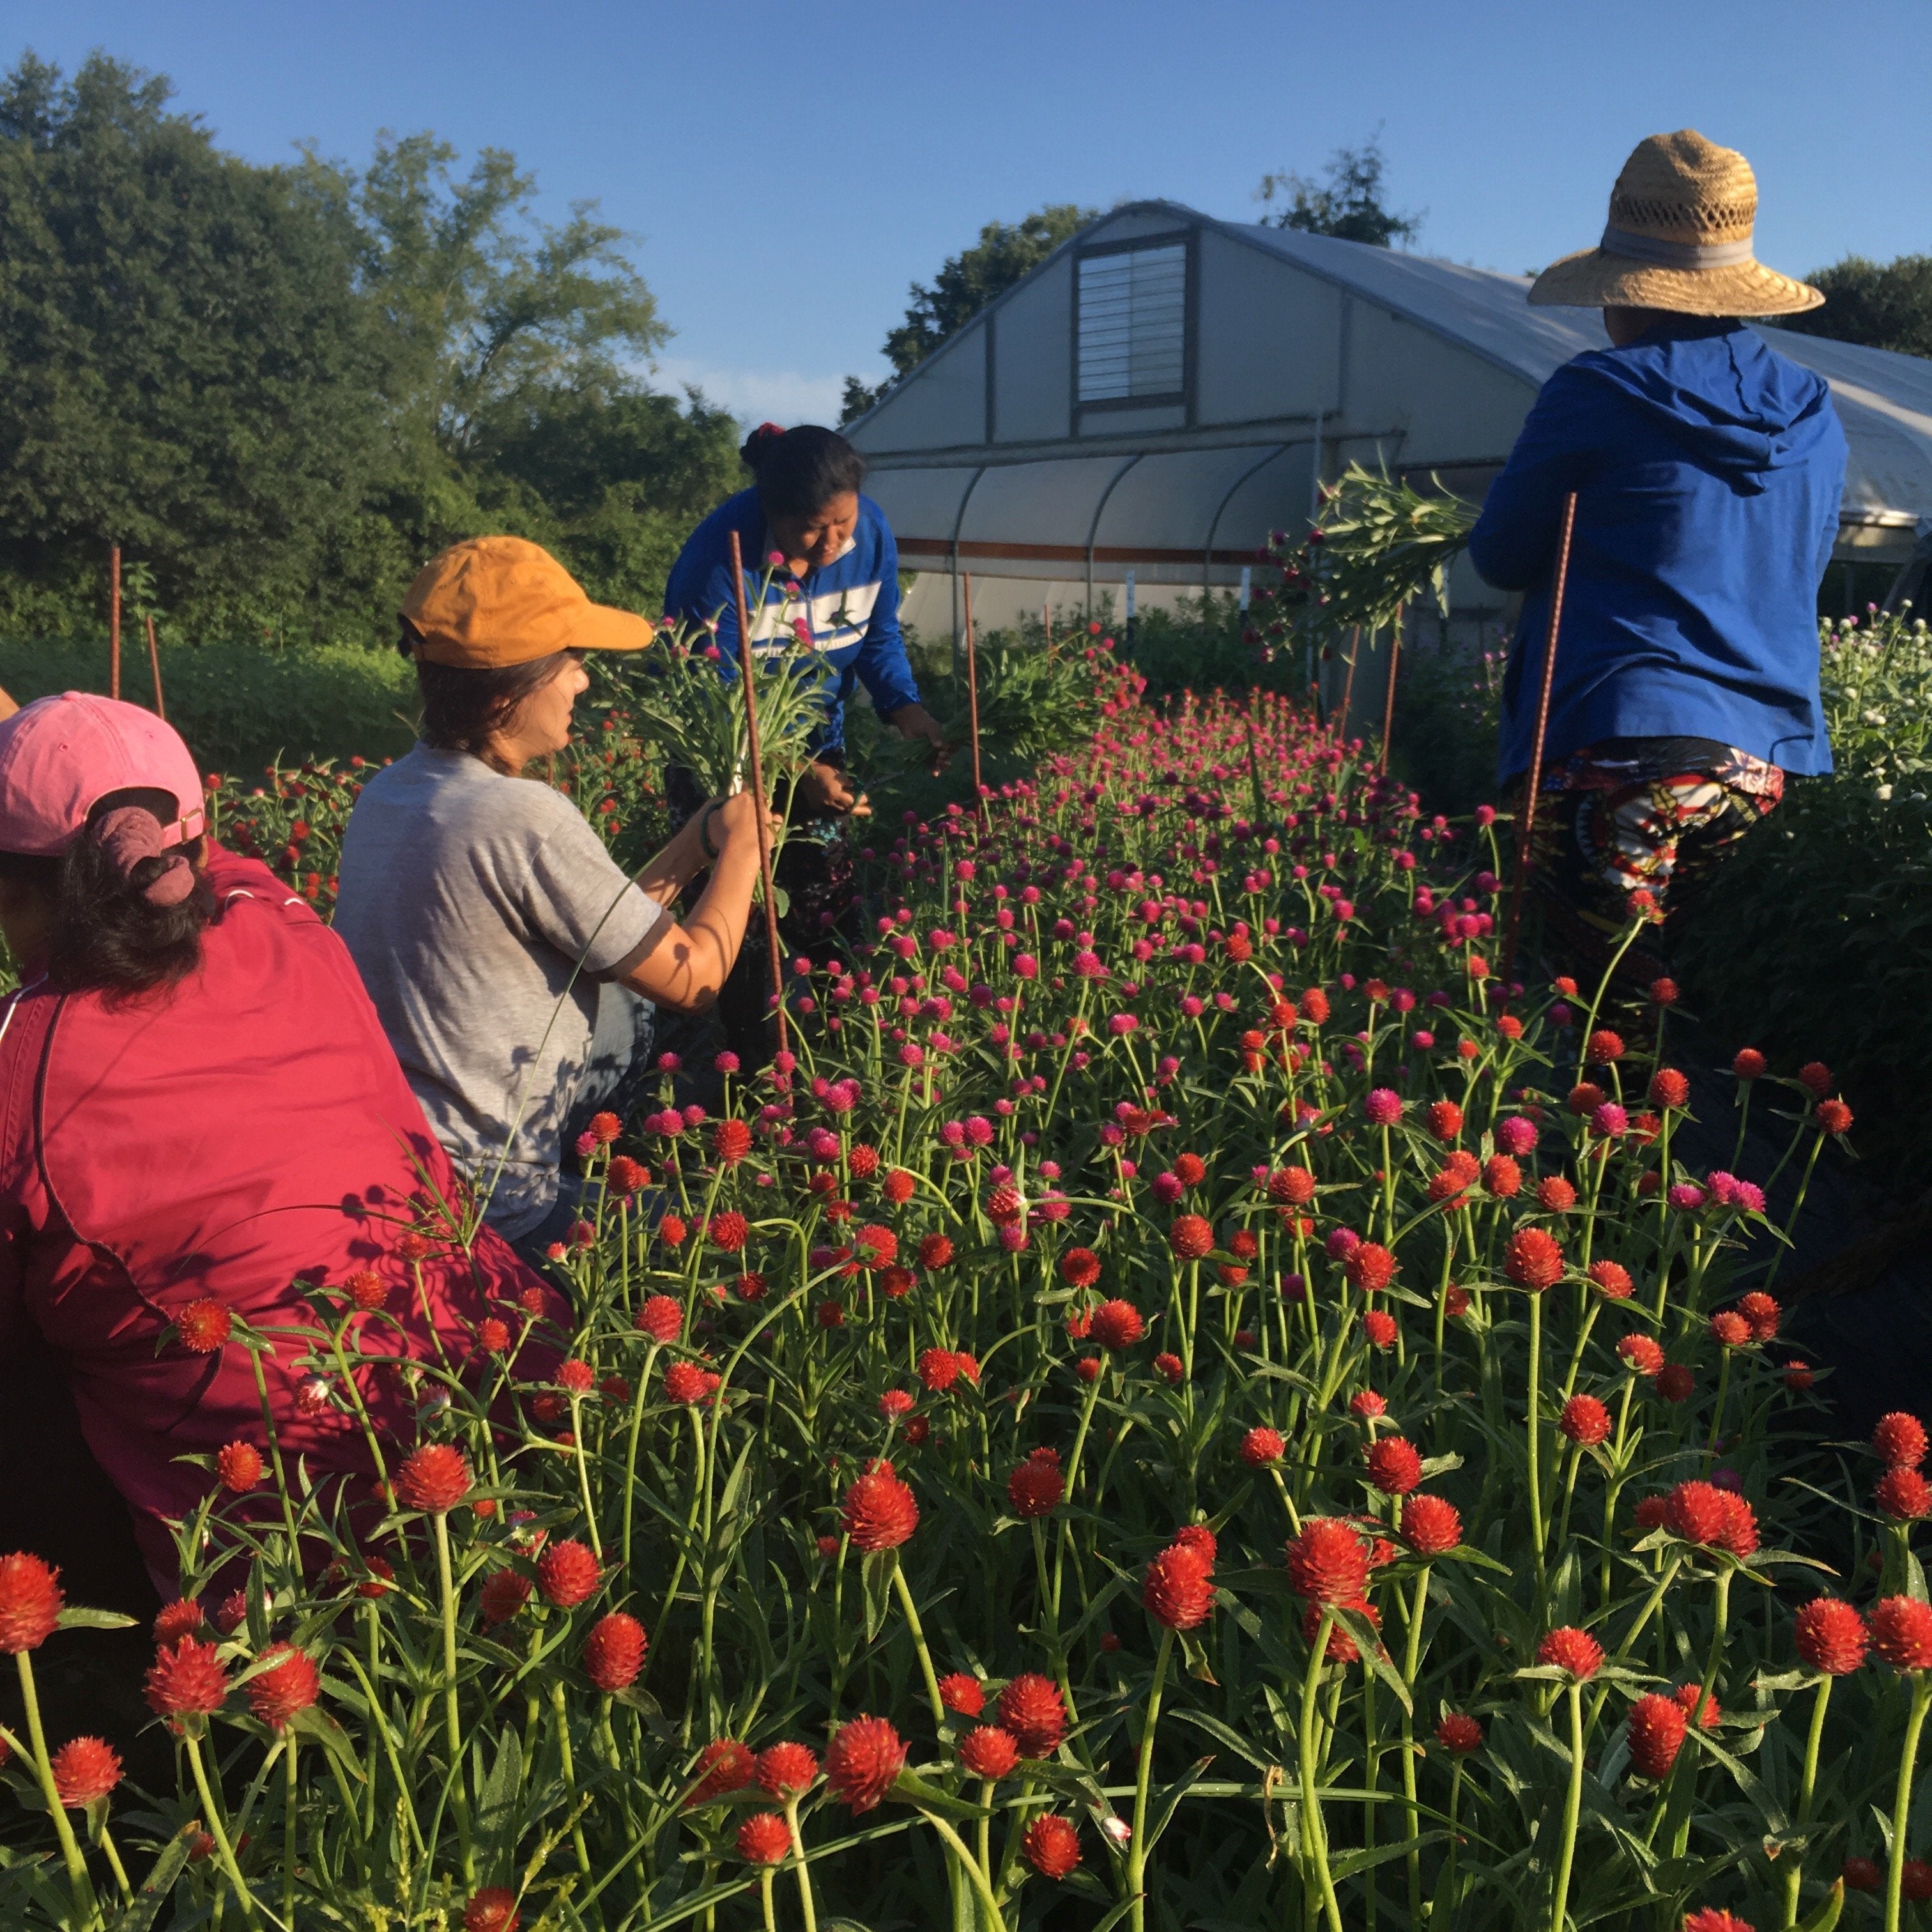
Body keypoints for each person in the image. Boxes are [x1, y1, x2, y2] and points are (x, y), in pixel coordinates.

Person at [0, 693, 560, 1598]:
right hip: (510, 1422)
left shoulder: (21, 1066)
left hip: (291, 1551)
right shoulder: (281, 919)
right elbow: (174, 850)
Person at [1468, 130, 1846, 989]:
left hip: (1623, 748)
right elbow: (1802, 565)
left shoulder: (1597, 393)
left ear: (1629, 293)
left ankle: (1621, 1120)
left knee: (1601, 1014)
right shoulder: (1814, 413)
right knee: (1668, 988)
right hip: (1753, 766)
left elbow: (1500, 553)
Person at [334, 537, 771, 1260]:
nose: (582, 683)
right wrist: (747, 848)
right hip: (493, 1203)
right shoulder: (522, 817)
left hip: (402, 1172)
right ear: (509, 690)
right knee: (724, 1250)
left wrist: (696, 842)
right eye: (570, 662)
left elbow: (606, 931)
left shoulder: (389, 793)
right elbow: (692, 977)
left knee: (622, 992)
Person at [663, 423, 949, 1056]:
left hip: (817, 745)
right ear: (773, 512)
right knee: (737, 915)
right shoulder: (721, 556)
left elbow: (877, 637)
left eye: (842, 522)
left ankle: (844, 1048)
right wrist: (789, 771)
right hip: (724, 760)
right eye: (813, 528)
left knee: (826, 900)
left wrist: (905, 707)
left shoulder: (871, 536)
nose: (832, 541)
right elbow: (708, 688)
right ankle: (747, 1058)